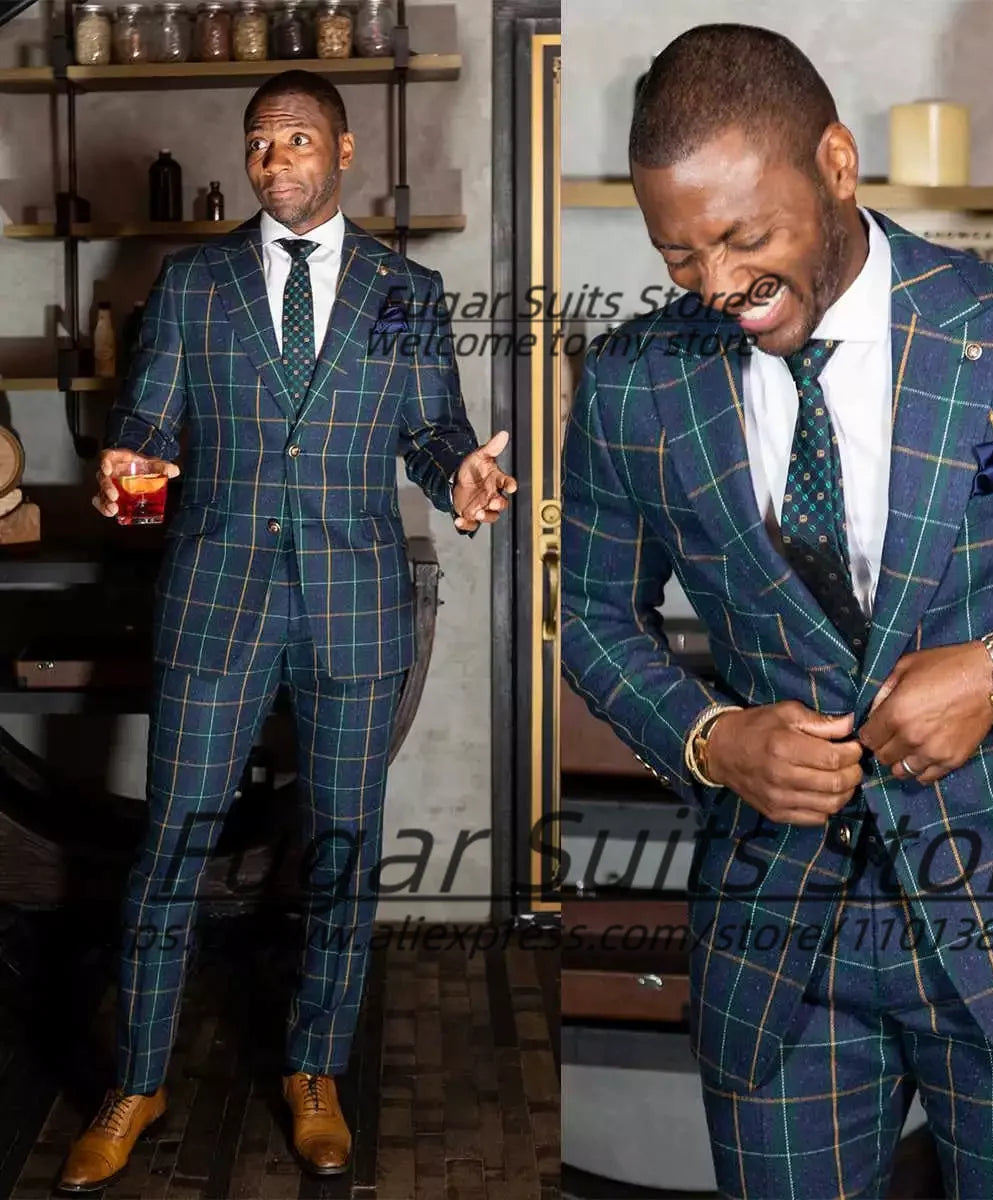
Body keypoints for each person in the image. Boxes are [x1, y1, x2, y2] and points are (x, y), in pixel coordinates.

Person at [560, 23, 993, 1200]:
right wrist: (711, 738)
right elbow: (595, 617)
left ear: (838, 165)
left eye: (747, 238)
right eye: (678, 253)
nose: (718, 286)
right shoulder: (631, 383)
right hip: (778, 955)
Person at [57, 69, 516, 1192]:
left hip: (356, 605)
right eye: (260, 143)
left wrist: (458, 474)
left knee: (343, 851)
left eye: (298, 140)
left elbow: (431, 429)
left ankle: (316, 1071)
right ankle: (139, 1081)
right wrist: (125, 462)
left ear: (343, 151)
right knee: (171, 844)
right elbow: (148, 422)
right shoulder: (193, 282)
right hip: (216, 600)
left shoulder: (406, 290)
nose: (276, 161)